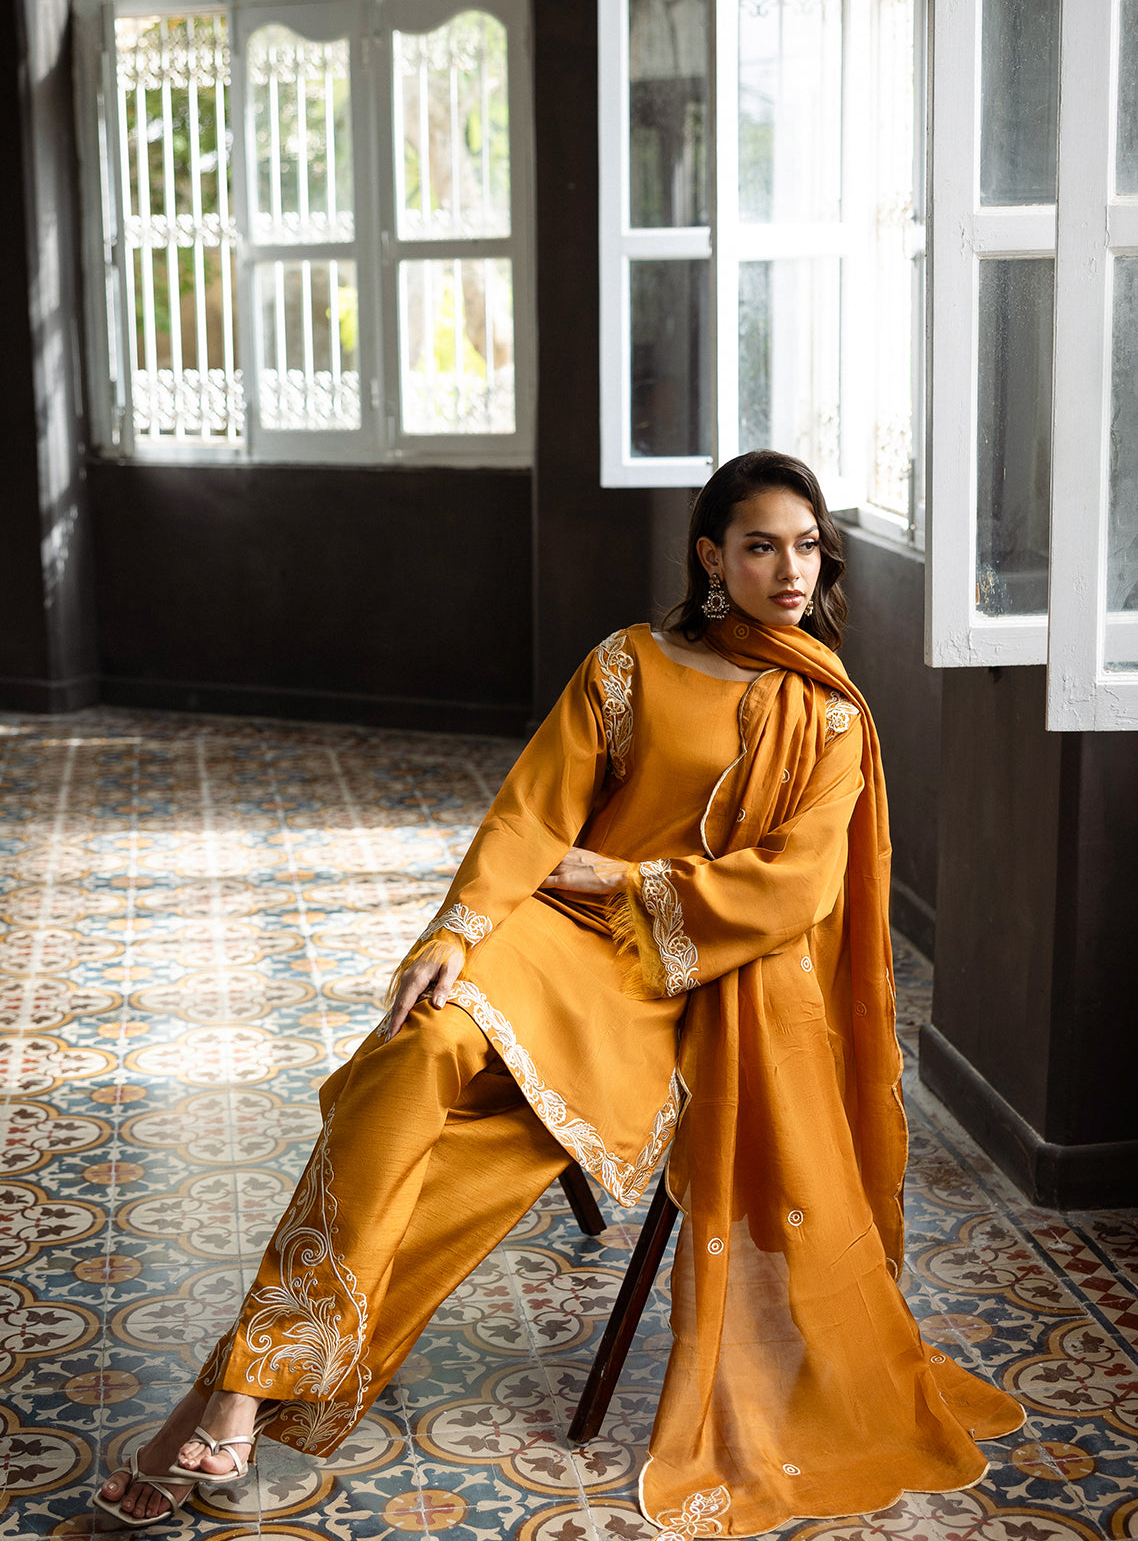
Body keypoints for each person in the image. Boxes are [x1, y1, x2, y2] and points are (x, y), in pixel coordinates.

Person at [97, 450, 1024, 1534]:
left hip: (682, 980)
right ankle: (248, 1390)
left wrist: (622, 880)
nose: (790, 571)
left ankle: (233, 1392)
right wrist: (455, 930)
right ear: (710, 555)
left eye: (807, 546)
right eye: (761, 546)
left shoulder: (824, 715)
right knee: (417, 1040)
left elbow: (794, 888)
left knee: (480, 1148)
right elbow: (533, 812)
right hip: (551, 934)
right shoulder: (628, 662)